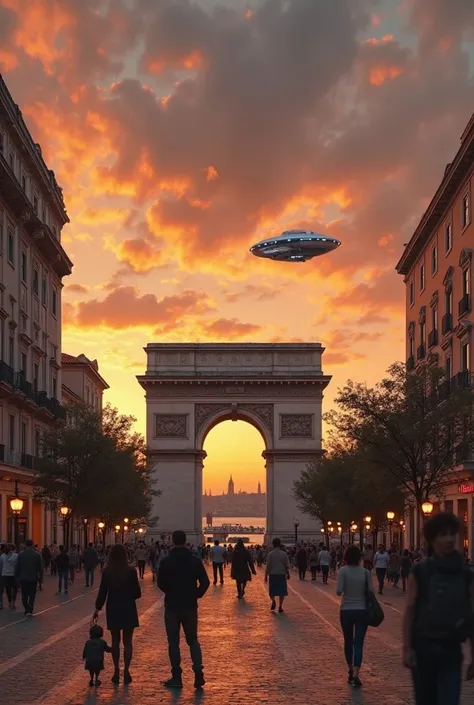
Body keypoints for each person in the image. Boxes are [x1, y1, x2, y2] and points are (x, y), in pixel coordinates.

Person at [403, 512, 474, 705]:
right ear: (432, 539)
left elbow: (470, 613)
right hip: (423, 649)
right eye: (443, 534)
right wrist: (407, 647)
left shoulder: (465, 573)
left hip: (451, 648)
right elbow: (409, 609)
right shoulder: (420, 571)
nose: (450, 539)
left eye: (452, 534)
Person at [157, 530, 210, 690]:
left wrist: (170, 592)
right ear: (186, 540)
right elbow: (205, 582)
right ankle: (198, 673)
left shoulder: (166, 561)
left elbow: (160, 583)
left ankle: (177, 676)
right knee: (193, 640)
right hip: (189, 606)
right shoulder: (194, 560)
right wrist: (195, 594)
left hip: (172, 606)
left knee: (173, 642)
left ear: (172, 541)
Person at [93, 544, 141, 685]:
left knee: (115, 640)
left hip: (113, 607)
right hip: (128, 608)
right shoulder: (131, 571)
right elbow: (138, 593)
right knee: (128, 642)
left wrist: (97, 609)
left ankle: (116, 671)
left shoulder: (108, 572)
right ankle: (126, 671)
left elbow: (103, 592)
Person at [336, 545, 373, 688]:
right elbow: (371, 591)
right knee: (359, 643)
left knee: (348, 640)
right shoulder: (365, 572)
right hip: (362, 610)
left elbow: (338, 591)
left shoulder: (343, 571)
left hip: (346, 610)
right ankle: (357, 673)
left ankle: (350, 668)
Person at [15, 538, 43, 616]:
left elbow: (17, 567)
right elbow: (40, 569)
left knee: (24, 594)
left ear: (25, 544)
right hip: (33, 578)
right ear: (33, 544)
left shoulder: (20, 555)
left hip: (23, 578)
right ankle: (30, 607)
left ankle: (27, 607)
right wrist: (41, 580)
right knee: (32, 594)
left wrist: (17, 577)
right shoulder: (37, 555)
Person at [265, 538, 290, 613]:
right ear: (279, 544)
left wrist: (265, 576)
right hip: (281, 575)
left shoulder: (270, 554)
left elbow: (268, 566)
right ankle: (280, 606)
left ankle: (273, 601)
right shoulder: (284, 554)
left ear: (273, 544)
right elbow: (287, 565)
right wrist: (288, 573)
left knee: (272, 591)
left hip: (273, 575)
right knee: (281, 592)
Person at [83, 623, 112, 687]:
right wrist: (113, 650)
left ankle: (91, 679)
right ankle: (96, 679)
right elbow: (107, 649)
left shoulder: (88, 642)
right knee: (97, 670)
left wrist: (84, 656)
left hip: (89, 660)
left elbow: (85, 650)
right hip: (98, 660)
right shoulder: (102, 642)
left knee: (91, 670)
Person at [0, 544, 18, 609]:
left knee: (8, 589)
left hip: (5, 574)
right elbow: (18, 565)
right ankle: (13, 602)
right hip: (14, 574)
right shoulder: (16, 556)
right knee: (15, 589)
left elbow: (1, 566)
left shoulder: (2, 556)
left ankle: (10, 602)